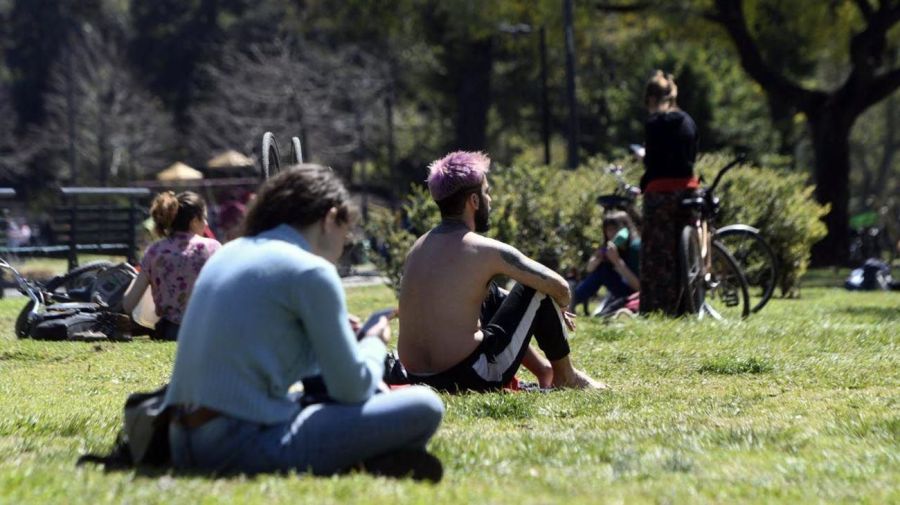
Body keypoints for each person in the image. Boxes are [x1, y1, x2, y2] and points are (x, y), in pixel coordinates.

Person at [162, 165, 445, 480]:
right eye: (345, 234)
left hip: (180, 439)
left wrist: (324, 332)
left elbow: (275, 355)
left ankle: (367, 459)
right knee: (425, 405)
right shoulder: (311, 271)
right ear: (329, 217)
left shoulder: (228, 253)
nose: (343, 247)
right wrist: (374, 342)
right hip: (238, 445)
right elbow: (352, 388)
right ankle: (367, 457)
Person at [398, 151, 606, 393]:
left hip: (416, 376)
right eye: (487, 192)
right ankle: (566, 376)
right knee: (537, 287)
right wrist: (556, 306)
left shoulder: (419, 246)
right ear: (474, 201)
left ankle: (544, 370)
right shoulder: (482, 249)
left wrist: (539, 312)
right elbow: (559, 286)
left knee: (491, 293)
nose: (490, 199)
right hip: (469, 376)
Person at [638, 70, 700, 316]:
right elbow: (693, 156)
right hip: (687, 190)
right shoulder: (688, 120)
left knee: (656, 253)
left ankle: (657, 308)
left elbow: (651, 163)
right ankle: (688, 304)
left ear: (651, 100)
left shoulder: (653, 124)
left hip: (659, 193)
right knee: (683, 251)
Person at [123, 191, 221, 341]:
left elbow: (129, 304)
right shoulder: (211, 248)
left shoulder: (154, 251)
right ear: (194, 220)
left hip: (169, 331)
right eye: (204, 217)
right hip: (207, 330)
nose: (206, 223)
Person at [569, 211, 641, 316]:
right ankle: (571, 301)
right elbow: (589, 269)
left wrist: (617, 262)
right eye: (609, 230)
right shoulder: (610, 248)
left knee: (603, 271)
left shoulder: (635, 248)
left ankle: (572, 300)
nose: (612, 234)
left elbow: (639, 287)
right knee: (602, 269)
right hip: (620, 291)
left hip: (634, 295)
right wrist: (596, 260)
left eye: (616, 229)